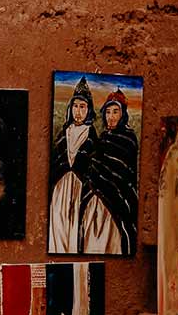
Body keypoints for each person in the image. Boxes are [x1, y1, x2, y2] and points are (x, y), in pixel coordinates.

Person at [49, 82, 138, 254]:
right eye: (108, 112)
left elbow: (122, 174)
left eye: (115, 112)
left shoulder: (126, 139)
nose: (111, 117)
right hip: (75, 193)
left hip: (112, 201)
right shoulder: (100, 137)